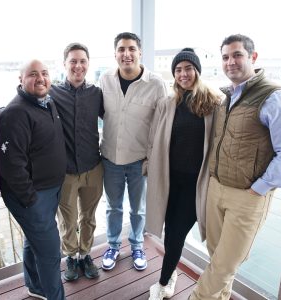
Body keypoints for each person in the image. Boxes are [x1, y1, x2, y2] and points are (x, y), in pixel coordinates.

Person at [190, 34, 281, 300]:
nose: (231, 62)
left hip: (247, 196)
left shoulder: (274, 97)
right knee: (217, 256)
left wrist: (258, 189)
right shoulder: (226, 96)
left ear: (253, 57)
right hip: (217, 189)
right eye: (226, 57)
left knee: (224, 264)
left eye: (237, 55)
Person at [145, 48, 221, 300]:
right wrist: (148, 165)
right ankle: (172, 272)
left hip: (195, 184)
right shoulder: (168, 103)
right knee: (170, 231)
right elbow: (154, 138)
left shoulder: (213, 102)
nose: (183, 74)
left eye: (188, 68)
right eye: (178, 70)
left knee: (176, 232)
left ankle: (164, 281)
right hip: (170, 182)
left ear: (197, 71)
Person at [0, 59, 66, 300]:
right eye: (33, 74)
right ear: (21, 79)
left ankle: (34, 285)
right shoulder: (15, 113)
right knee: (49, 253)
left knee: (33, 240)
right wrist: (30, 199)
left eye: (45, 73)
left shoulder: (48, 102)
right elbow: (11, 164)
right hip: (33, 195)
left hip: (51, 189)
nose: (40, 78)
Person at [99, 32, 167, 271]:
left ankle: (137, 245)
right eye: (121, 49)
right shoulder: (104, 79)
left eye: (131, 49)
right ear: (115, 53)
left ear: (140, 52)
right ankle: (113, 246)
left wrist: (154, 158)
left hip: (140, 160)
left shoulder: (156, 84)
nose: (126, 54)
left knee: (138, 209)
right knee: (113, 207)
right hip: (109, 158)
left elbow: (161, 124)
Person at [50, 43, 104, 281]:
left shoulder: (97, 93)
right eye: (73, 61)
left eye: (82, 61)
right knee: (68, 220)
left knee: (89, 217)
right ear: (64, 64)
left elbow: (118, 117)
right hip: (66, 171)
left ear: (88, 64)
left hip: (94, 167)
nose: (78, 66)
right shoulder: (52, 93)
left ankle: (85, 254)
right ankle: (71, 256)